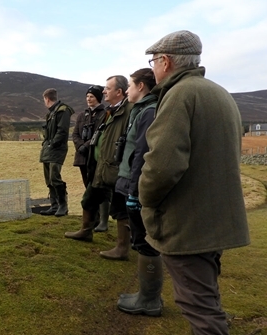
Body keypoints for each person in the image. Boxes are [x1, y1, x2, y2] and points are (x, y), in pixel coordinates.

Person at [139, 30, 250, 333]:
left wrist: (145, 199)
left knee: (199, 308)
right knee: (206, 296)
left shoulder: (179, 95)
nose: (152, 68)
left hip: (188, 223)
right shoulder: (218, 92)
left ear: (166, 61)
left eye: (154, 60)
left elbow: (162, 166)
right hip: (214, 220)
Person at [65, 76, 132, 260]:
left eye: (107, 88)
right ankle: (86, 230)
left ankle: (122, 248)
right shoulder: (110, 111)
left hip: (117, 169)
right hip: (100, 166)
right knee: (89, 199)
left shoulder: (129, 111)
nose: (104, 92)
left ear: (119, 92)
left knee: (120, 207)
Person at [112, 68, 162, 316]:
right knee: (141, 240)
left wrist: (134, 193)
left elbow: (142, 155)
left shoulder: (149, 112)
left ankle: (149, 300)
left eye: (130, 85)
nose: (128, 90)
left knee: (146, 243)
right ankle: (146, 294)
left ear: (141, 86)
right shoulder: (140, 110)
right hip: (129, 183)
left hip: (137, 188)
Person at [72, 85, 110, 232]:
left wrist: (86, 146)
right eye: (87, 96)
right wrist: (80, 145)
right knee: (87, 186)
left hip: (95, 157)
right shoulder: (82, 115)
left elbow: (99, 134)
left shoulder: (105, 114)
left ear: (98, 98)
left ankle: (102, 221)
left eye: (92, 96)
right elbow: (75, 134)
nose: (89, 99)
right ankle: (92, 219)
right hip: (82, 158)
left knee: (98, 187)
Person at [39, 88, 75, 217]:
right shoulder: (52, 113)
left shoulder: (63, 110)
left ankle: (62, 206)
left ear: (47, 99)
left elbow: (62, 130)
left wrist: (53, 143)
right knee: (48, 178)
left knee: (55, 177)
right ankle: (54, 206)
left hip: (57, 148)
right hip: (48, 148)